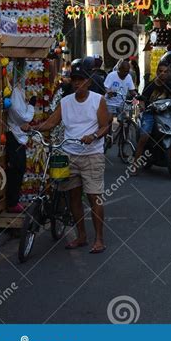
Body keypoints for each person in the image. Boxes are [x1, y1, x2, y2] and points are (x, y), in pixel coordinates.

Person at [23, 58, 109, 254]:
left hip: (92, 155)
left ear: (88, 80)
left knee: (94, 197)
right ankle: (81, 236)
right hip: (70, 154)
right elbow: (51, 123)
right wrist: (33, 128)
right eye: (74, 79)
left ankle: (99, 239)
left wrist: (93, 135)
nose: (77, 83)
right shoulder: (65, 102)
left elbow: (105, 125)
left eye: (81, 79)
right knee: (74, 199)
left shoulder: (98, 100)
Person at [132, 62, 171, 171]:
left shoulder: (169, 85)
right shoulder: (150, 85)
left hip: (166, 114)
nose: (163, 74)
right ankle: (134, 165)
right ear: (157, 72)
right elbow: (142, 100)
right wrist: (143, 107)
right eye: (161, 71)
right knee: (144, 137)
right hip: (150, 114)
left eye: (165, 72)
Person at [5, 77, 36, 213]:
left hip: (18, 136)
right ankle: (12, 203)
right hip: (14, 136)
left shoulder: (18, 91)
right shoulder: (14, 93)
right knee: (16, 169)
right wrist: (31, 106)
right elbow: (25, 117)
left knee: (19, 168)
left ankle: (14, 201)